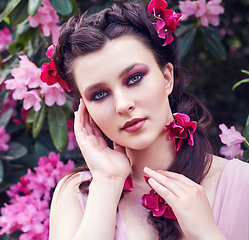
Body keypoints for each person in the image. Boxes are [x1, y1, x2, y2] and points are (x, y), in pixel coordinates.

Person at [46, 1, 249, 240]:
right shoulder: (76, 195)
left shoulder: (240, 183)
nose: (123, 105)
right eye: (99, 95)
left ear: (166, 77)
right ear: (86, 110)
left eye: (134, 79)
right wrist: (107, 183)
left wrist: (206, 234)